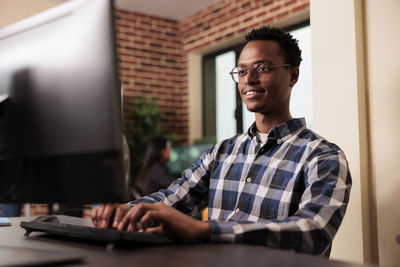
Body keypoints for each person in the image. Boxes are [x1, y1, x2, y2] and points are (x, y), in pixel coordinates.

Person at [92, 25, 352, 255]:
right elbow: (173, 198)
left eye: (261, 68)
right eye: (241, 71)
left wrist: (205, 230)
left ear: (293, 75)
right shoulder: (223, 152)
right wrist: (126, 211)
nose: (248, 79)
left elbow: (314, 230)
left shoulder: (323, 156)